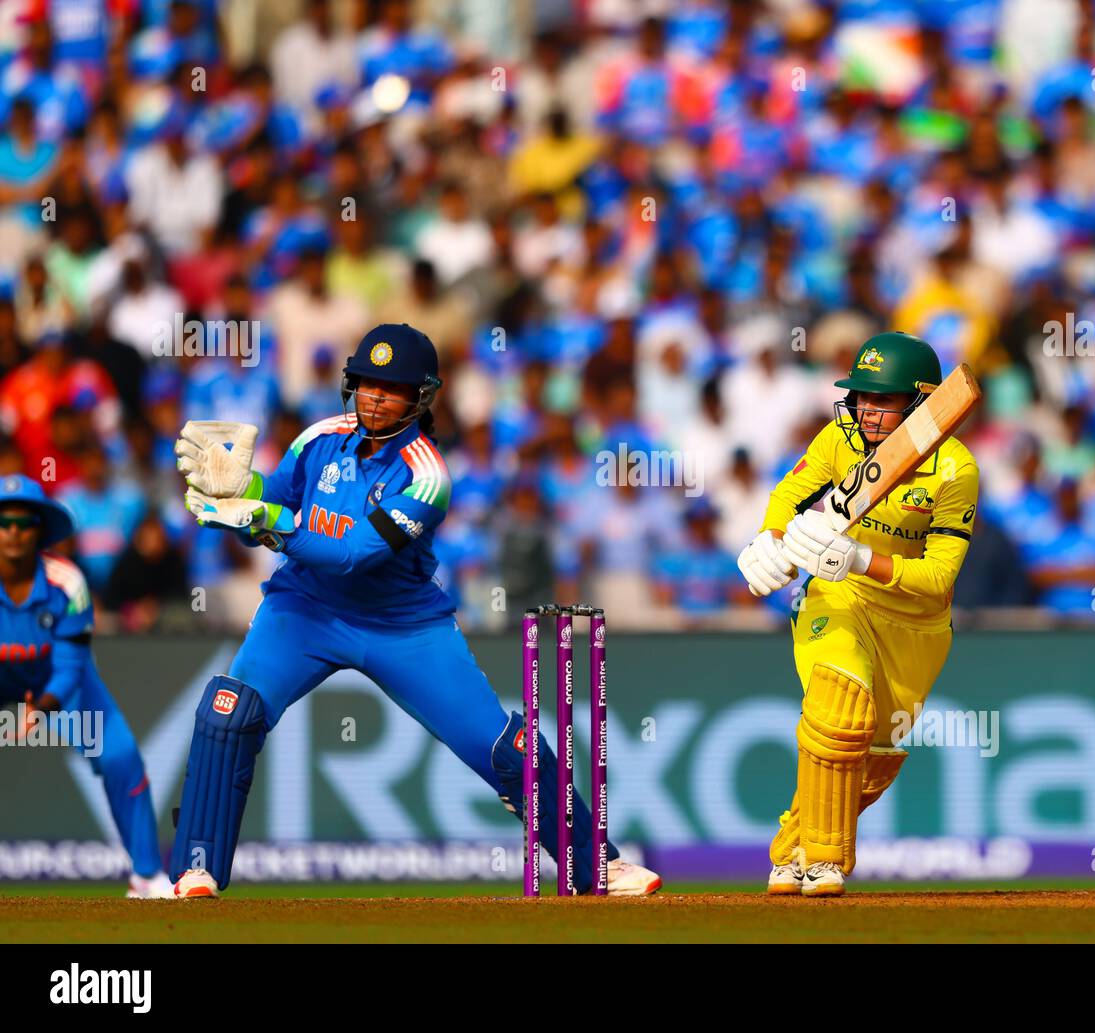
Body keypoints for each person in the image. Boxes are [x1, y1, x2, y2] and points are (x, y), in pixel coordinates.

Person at [171, 323, 660, 897]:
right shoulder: (317, 440)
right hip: (304, 610)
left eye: (393, 387)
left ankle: (594, 863)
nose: (376, 397)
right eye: (368, 383)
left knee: (506, 748)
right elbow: (271, 515)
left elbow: (353, 553)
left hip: (403, 625)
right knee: (230, 710)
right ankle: (195, 867)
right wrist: (240, 491)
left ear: (421, 396)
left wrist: (264, 519)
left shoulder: (429, 475)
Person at [737, 331, 980, 897]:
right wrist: (770, 540)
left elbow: (939, 580)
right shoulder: (839, 439)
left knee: (871, 758)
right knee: (838, 709)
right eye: (861, 397)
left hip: (915, 624)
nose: (867, 411)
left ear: (921, 400)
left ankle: (793, 847)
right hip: (838, 597)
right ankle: (823, 862)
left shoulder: (954, 471)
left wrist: (862, 558)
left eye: (883, 399)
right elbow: (790, 493)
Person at [0, 475, 171, 898]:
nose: (14, 532)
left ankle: (147, 877)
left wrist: (40, 708)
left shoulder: (68, 583)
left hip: (59, 686)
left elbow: (70, 665)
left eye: (24, 522)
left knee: (120, 757)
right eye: (4, 522)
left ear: (39, 529)